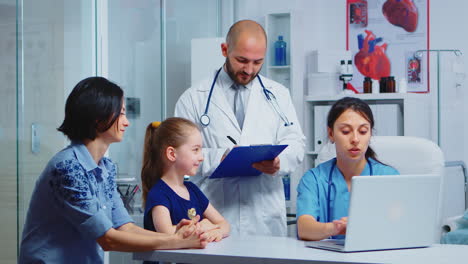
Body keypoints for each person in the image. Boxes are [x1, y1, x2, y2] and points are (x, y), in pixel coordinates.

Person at [19, 77, 206, 264]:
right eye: (121, 113)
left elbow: (125, 227)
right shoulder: (67, 168)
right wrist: (176, 241)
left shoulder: (105, 168)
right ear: (99, 119)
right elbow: (108, 239)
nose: (127, 123)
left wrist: (176, 234)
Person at [174, 19, 305, 236]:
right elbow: (179, 155)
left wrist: (279, 162)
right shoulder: (193, 98)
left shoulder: (278, 94)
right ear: (224, 50)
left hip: (264, 219)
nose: (249, 69)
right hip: (214, 215)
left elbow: (296, 142)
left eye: (257, 62)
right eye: (242, 60)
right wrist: (221, 157)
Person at [296, 97, 399, 241]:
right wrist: (335, 228)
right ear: (331, 134)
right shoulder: (314, 179)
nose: (355, 139)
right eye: (345, 131)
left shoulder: (389, 177)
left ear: (370, 134)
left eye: (363, 131)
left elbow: (399, 226)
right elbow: (304, 228)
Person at [141, 118, 230, 243]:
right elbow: (166, 233)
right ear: (172, 154)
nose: (202, 157)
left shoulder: (193, 189)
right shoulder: (158, 194)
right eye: (195, 150)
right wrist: (201, 227)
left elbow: (224, 224)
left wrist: (216, 230)